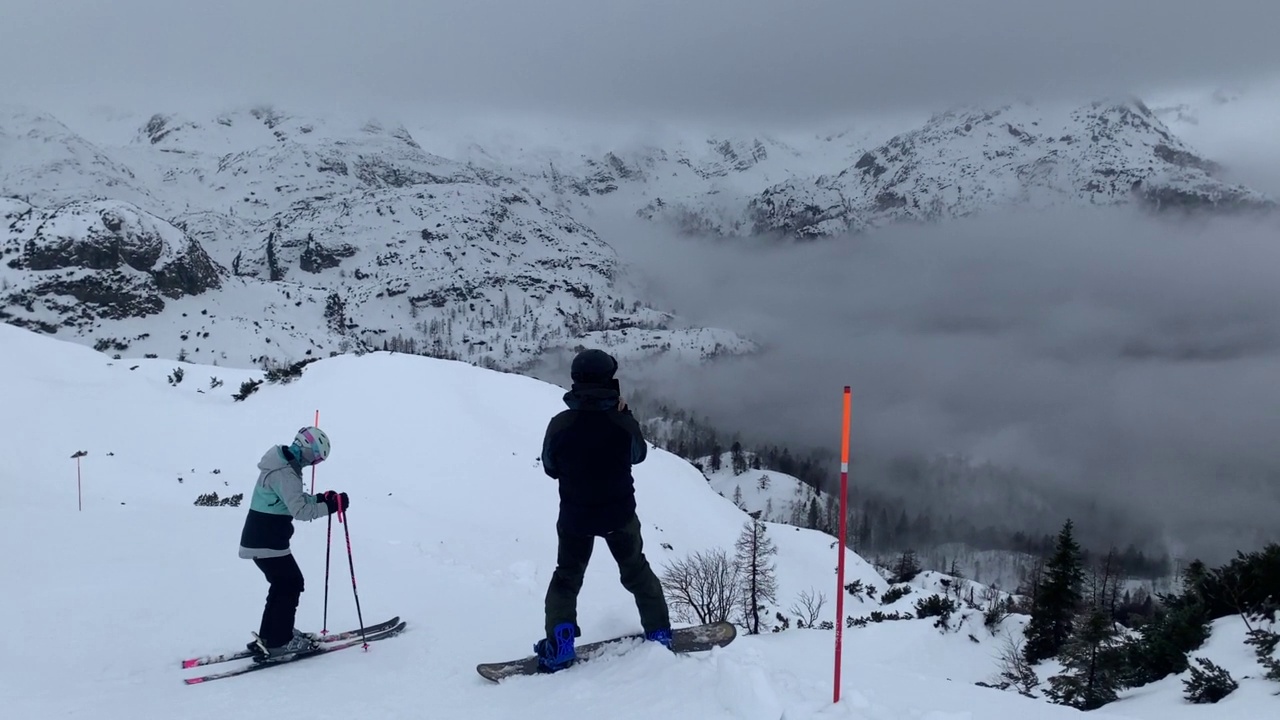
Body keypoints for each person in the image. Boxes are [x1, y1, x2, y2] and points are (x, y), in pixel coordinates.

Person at [534, 348, 672, 672]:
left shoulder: (560, 425)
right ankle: (660, 631)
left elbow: (550, 467)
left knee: (566, 579)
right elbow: (638, 455)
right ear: (610, 381)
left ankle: (561, 642)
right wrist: (625, 416)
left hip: (574, 518)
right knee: (637, 572)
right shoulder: (622, 425)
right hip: (619, 516)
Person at [238, 425, 350, 663]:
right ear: (307, 449)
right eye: (315, 457)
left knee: (283, 584)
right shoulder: (285, 472)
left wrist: (321, 498)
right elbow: (300, 511)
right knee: (290, 583)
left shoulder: (282, 464)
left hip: (264, 538)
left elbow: (292, 500)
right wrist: (329, 506)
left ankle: (273, 636)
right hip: (267, 539)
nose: (313, 464)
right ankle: (279, 642)